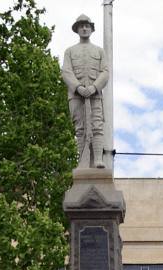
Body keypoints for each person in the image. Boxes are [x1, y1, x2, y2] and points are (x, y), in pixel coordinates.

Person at [61, 14, 110, 169]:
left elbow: (105, 72)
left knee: (96, 126)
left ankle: (97, 159)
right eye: (81, 26)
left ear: (91, 29)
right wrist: (79, 88)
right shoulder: (70, 51)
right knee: (80, 129)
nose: (84, 28)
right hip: (76, 97)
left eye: (87, 26)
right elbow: (66, 72)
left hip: (95, 96)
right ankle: (83, 161)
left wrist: (94, 88)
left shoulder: (99, 51)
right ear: (77, 30)